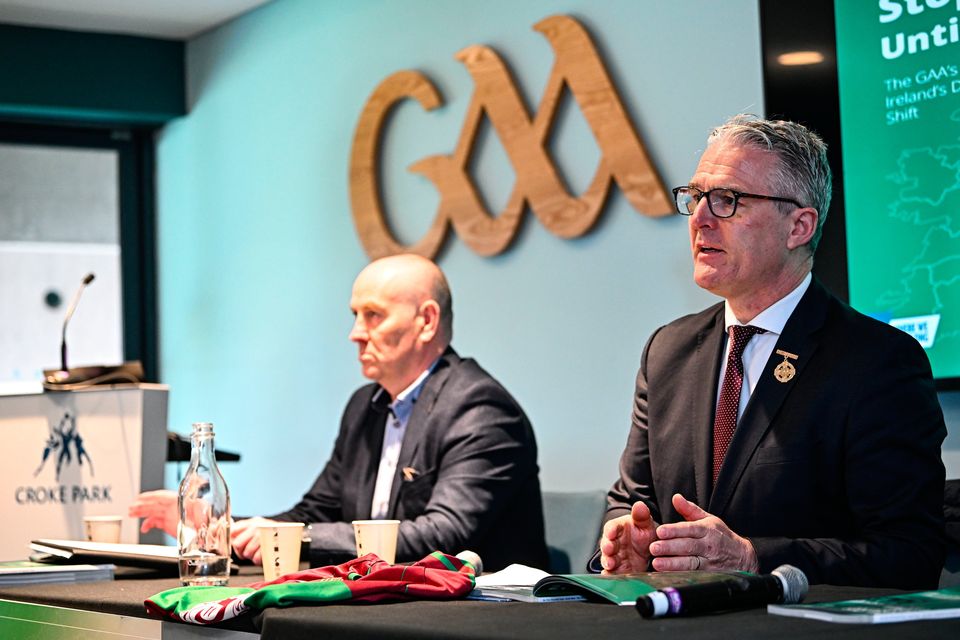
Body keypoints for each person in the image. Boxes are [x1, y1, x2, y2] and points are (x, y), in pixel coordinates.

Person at [596, 115, 946, 589]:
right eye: (695, 197)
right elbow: (630, 500)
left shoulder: (879, 363)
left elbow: (908, 554)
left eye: (727, 200)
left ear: (799, 226)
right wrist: (629, 543)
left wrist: (751, 557)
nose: (699, 218)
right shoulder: (667, 352)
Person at [131, 254, 549, 572]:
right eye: (355, 315)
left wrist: (296, 538)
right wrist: (219, 524)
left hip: (482, 619)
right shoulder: (364, 407)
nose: (355, 333)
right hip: (388, 608)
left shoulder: (481, 409)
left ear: (426, 321)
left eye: (374, 315)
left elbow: (443, 535)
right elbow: (315, 513)